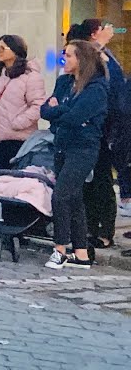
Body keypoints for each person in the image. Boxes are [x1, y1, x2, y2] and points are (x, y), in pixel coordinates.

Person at [41, 40, 109, 270]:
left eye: (69, 55)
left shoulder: (96, 87)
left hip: (83, 148)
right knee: (74, 198)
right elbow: (45, 111)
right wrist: (61, 110)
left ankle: (59, 248)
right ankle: (81, 254)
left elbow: (74, 116)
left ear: (82, 59)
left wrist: (59, 109)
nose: (64, 59)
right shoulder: (63, 82)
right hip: (62, 144)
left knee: (60, 196)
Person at [67, 19, 126, 251]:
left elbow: (113, 91)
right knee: (88, 181)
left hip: (104, 127)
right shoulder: (94, 54)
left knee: (101, 179)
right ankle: (90, 227)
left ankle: (104, 231)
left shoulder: (104, 57)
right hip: (91, 127)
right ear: (95, 34)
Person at [0, 35, 46, 174]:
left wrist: (17, 123)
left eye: (2, 48)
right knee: (0, 178)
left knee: (16, 180)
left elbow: (38, 105)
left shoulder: (31, 76)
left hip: (19, 139)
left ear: (16, 50)